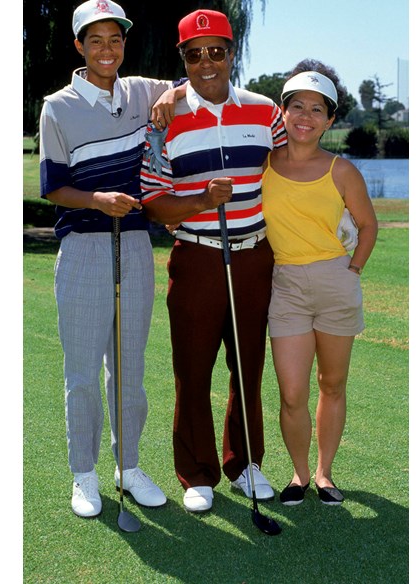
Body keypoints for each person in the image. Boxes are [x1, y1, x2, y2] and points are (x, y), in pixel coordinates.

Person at [37, 0, 183, 519]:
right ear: (79, 46)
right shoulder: (57, 105)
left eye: (115, 40)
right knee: (81, 372)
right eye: (95, 40)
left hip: (137, 243)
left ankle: (130, 465)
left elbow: (193, 84)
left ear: (124, 44)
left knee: (129, 369)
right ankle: (84, 473)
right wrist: (97, 201)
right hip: (83, 247)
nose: (107, 49)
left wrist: (171, 99)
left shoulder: (143, 90)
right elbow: (54, 186)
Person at [140, 9, 287, 513]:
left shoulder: (266, 112)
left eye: (217, 51)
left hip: (253, 258)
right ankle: (197, 473)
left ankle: (244, 464)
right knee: (193, 369)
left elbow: (293, 174)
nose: (207, 63)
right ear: (182, 59)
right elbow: (154, 200)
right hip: (196, 258)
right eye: (194, 54)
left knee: (247, 367)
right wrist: (201, 202)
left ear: (232, 53)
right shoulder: (164, 120)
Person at [261, 63, 378, 506]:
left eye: (317, 109)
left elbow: (367, 227)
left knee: (332, 383)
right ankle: (299, 473)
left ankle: (325, 475)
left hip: (335, 281)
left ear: (330, 121)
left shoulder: (342, 170)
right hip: (286, 285)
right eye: (297, 107)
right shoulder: (264, 165)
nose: (305, 116)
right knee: (292, 393)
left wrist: (351, 272)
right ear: (284, 112)